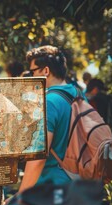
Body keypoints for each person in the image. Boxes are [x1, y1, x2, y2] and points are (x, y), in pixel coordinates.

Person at [17, 45, 77, 193]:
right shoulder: (77, 94)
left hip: (52, 188)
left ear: (46, 71)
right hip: (78, 183)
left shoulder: (48, 102)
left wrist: (21, 195)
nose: (31, 76)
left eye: (32, 71)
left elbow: (38, 158)